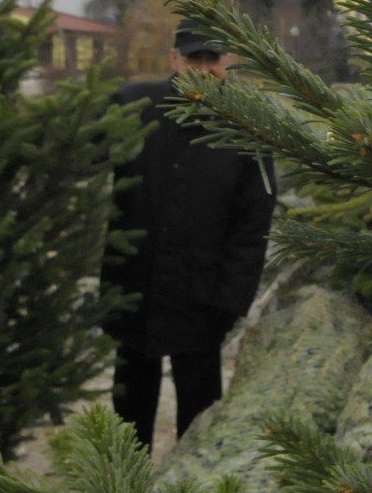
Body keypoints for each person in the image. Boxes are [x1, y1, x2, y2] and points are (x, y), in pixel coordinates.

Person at [105, 23, 277, 448]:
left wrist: (231, 299)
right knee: (130, 406)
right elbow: (80, 157)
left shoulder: (246, 127)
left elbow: (254, 220)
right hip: (134, 287)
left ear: (227, 63)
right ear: (174, 59)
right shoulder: (133, 106)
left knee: (199, 409)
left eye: (211, 60)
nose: (202, 69)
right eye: (193, 59)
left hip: (203, 293)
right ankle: (125, 491)